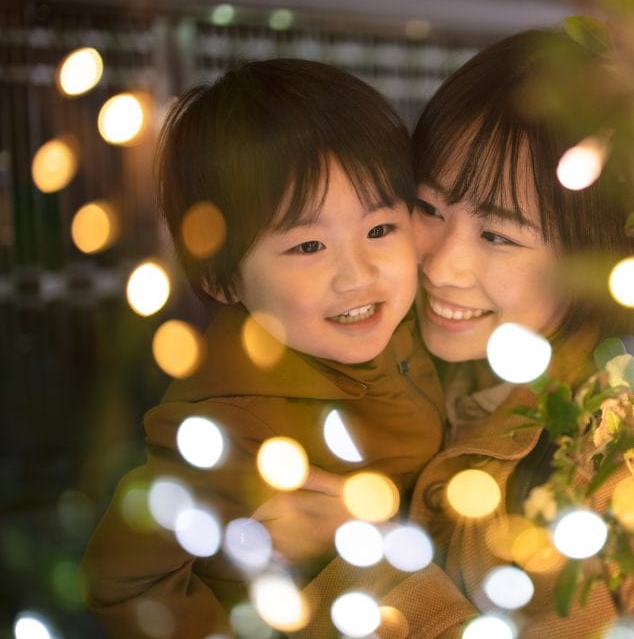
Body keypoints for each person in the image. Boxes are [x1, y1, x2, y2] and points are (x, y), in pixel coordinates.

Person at [302, 31, 634, 638]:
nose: (441, 265)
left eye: (498, 236)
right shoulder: (393, 352)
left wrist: (360, 556)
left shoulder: (621, 460)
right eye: (429, 209)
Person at [81, 59, 474, 637]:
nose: (358, 274)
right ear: (224, 280)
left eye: (380, 229)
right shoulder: (226, 426)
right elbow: (119, 581)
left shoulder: (410, 321)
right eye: (309, 245)